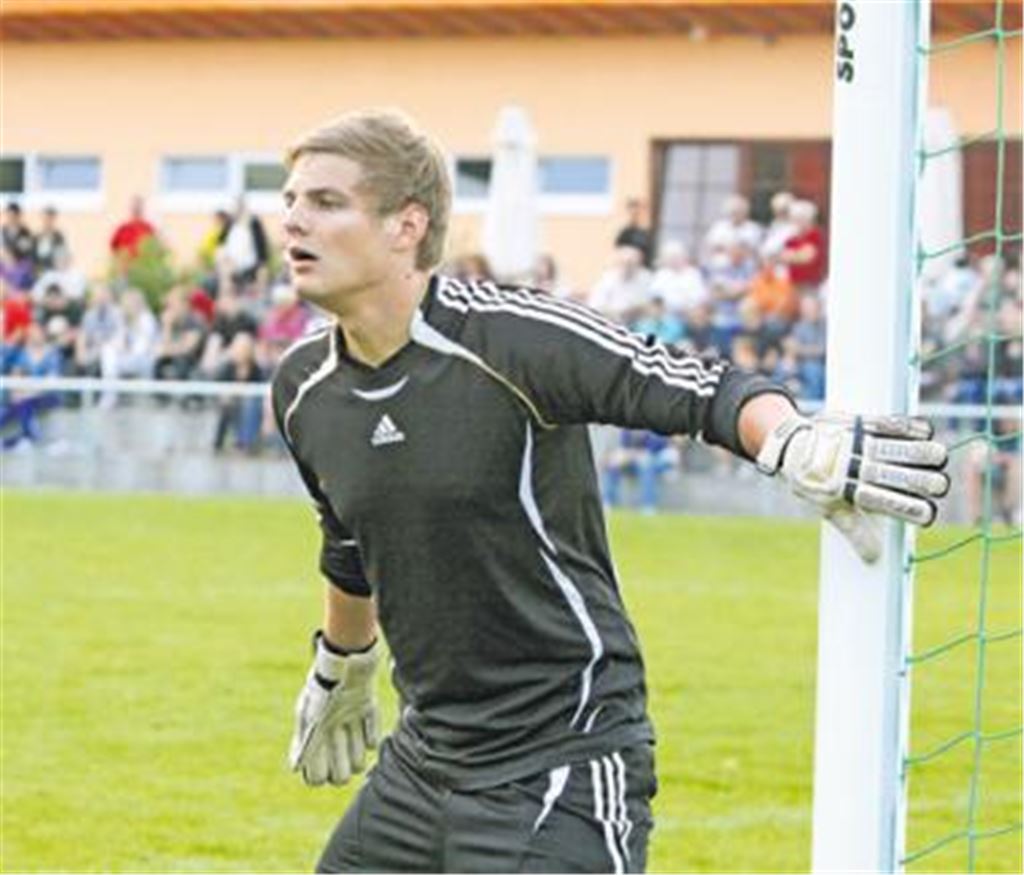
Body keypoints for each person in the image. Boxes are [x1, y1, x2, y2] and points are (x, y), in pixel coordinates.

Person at [271, 109, 950, 874]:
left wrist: (791, 438)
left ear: (406, 226)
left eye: (326, 202)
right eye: (291, 199)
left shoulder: (513, 340)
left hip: (562, 763)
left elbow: (697, 386)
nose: (293, 218)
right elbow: (349, 542)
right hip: (424, 763)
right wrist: (345, 663)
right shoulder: (302, 389)